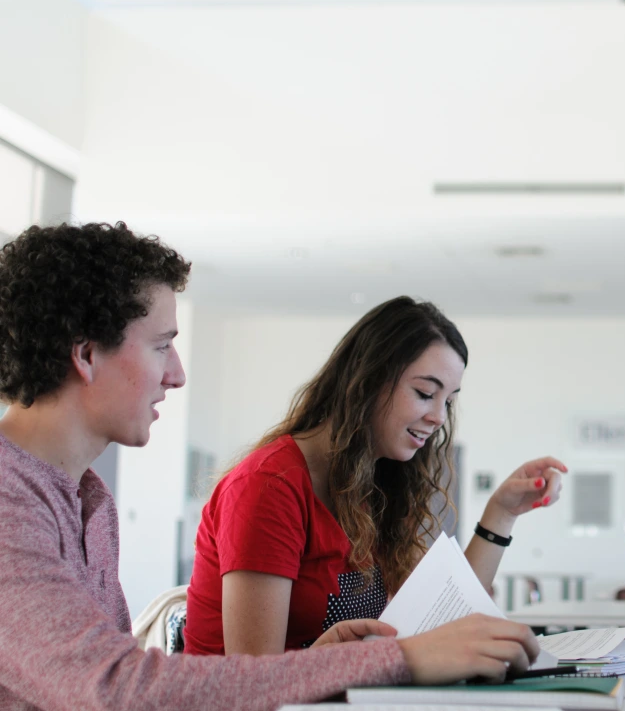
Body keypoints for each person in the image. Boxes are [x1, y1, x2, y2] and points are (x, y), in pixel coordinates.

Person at [0, 222, 541, 711]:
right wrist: (402, 659)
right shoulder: (9, 498)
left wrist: (332, 658)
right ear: (87, 354)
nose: (178, 375)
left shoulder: (86, 499)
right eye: (163, 346)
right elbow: (115, 688)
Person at [183, 295, 567, 656]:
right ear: (366, 382)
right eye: (424, 393)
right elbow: (254, 685)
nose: (438, 417)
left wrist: (502, 513)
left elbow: (445, 613)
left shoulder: (374, 486)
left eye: (448, 401)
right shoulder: (268, 487)